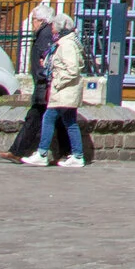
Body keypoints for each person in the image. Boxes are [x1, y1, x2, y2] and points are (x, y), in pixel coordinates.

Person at [24, 16, 86, 168]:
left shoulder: (67, 45)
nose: (51, 29)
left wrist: (57, 82)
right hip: (65, 91)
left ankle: (42, 153)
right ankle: (77, 155)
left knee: (49, 118)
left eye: (53, 26)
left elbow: (72, 70)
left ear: (59, 28)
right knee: (70, 121)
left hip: (64, 90)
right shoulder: (66, 42)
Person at [5, 6, 57, 162]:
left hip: (44, 86)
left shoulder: (45, 35)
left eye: (33, 19)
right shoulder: (44, 34)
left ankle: (18, 151)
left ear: (41, 20)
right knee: (46, 119)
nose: (32, 23)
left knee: (37, 118)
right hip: (43, 85)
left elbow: (45, 62)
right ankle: (17, 151)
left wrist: (42, 80)